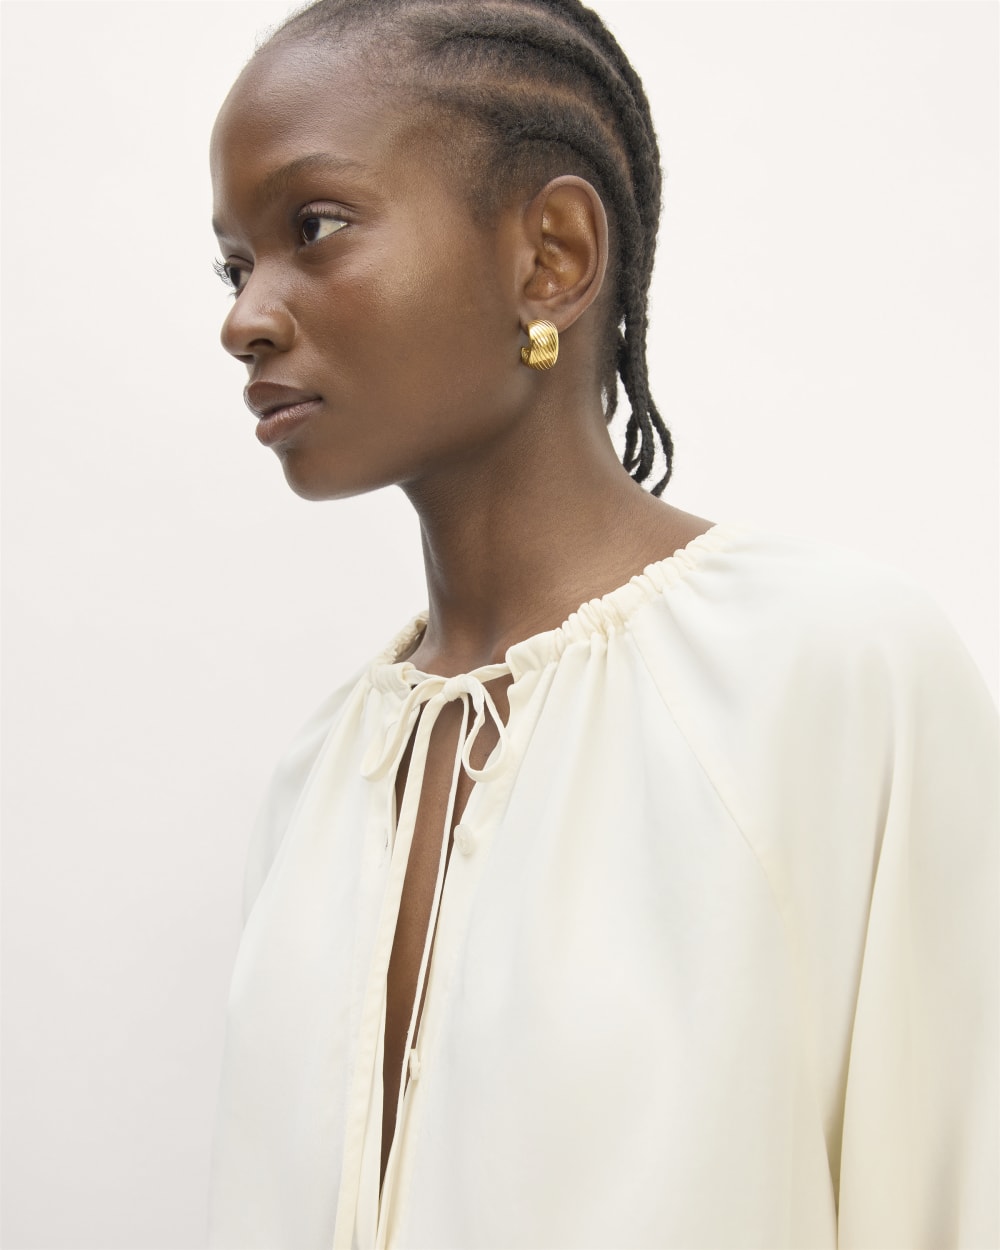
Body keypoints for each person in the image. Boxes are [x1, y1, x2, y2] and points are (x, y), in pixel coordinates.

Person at [206, 1, 998, 1246]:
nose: (245, 316)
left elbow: (952, 1191)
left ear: (551, 255)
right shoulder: (319, 775)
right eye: (235, 264)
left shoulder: (827, 671)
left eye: (314, 226)